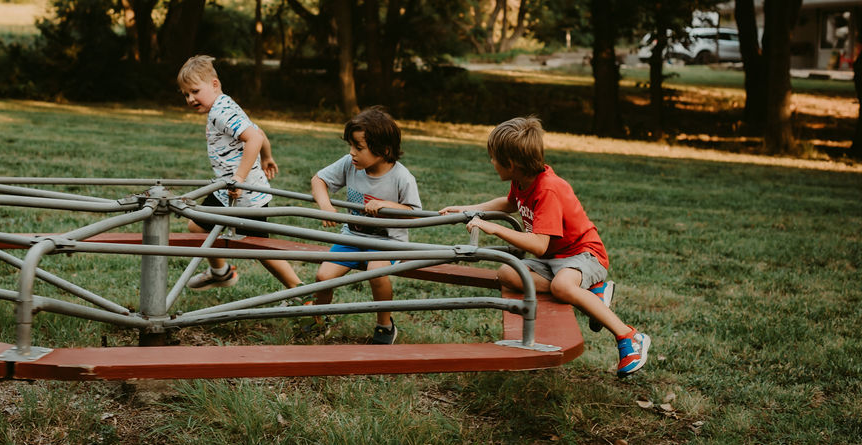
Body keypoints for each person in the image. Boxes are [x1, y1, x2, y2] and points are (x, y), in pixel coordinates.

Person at [439, 116, 650, 378]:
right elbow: (509, 204)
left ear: (511, 164)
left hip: (584, 255)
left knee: (563, 287)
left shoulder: (548, 189)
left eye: (493, 158)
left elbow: (538, 245)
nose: (491, 162)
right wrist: (468, 209)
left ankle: (629, 336)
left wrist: (494, 228)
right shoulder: (521, 181)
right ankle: (589, 292)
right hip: (555, 259)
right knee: (508, 273)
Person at [176, 55, 302, 292]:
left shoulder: (220, 112)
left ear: (214, 84)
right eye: (186, 95)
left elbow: (253, 137)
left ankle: (300, 291)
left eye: (194, 91)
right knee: (197, 227)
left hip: (245, 196)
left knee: (259, 248)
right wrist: (267, 156)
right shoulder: (223, 105)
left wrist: (240, 178)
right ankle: (220, 273)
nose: (190, 98)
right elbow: (258, 132)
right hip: (227, 192)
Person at [308, 106, 422, 344]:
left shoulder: (402, 177)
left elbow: (415, 214)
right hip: (352, 238)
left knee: (376, 271)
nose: (352, 153)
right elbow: (318, 180)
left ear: (384, 150)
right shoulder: (351, 165)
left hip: (387, 243)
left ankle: (384, 325)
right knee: (323, 275)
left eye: (358, 147)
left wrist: (389, 205)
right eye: (351, 146)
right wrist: (325, 206)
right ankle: (319, 321)